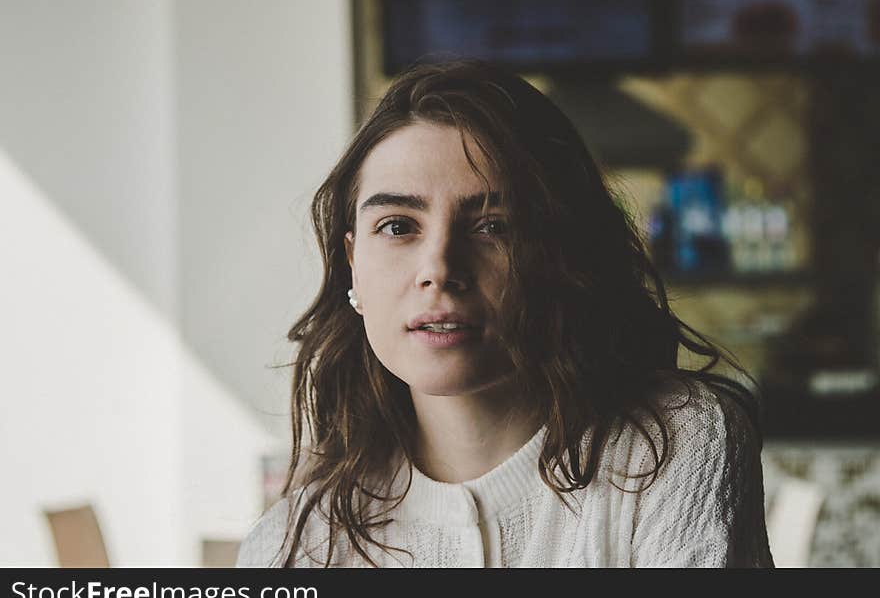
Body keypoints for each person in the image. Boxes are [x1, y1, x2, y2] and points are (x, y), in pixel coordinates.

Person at [236, 58, 774, 568]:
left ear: (561, 255)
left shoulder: (673, 443)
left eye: (493, 226)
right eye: (398, 226)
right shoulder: (290, 549)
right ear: (352, 262)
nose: (440, 269)